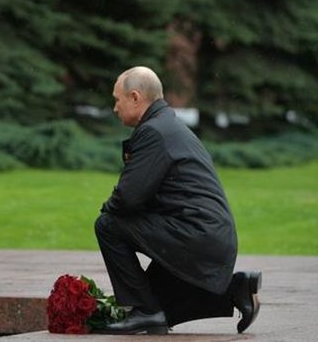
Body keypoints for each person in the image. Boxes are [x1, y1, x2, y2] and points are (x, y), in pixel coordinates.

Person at [94, 66, 262, 335]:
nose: (115, 108)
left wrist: (107, 209)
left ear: (135, 97)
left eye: (117, 100)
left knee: (107, 225)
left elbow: (127, 199)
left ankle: (144, 312)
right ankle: (235, 290)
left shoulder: (154, 132)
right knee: (160, 308)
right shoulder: (167, 125)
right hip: (207, 236)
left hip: (196, 235)